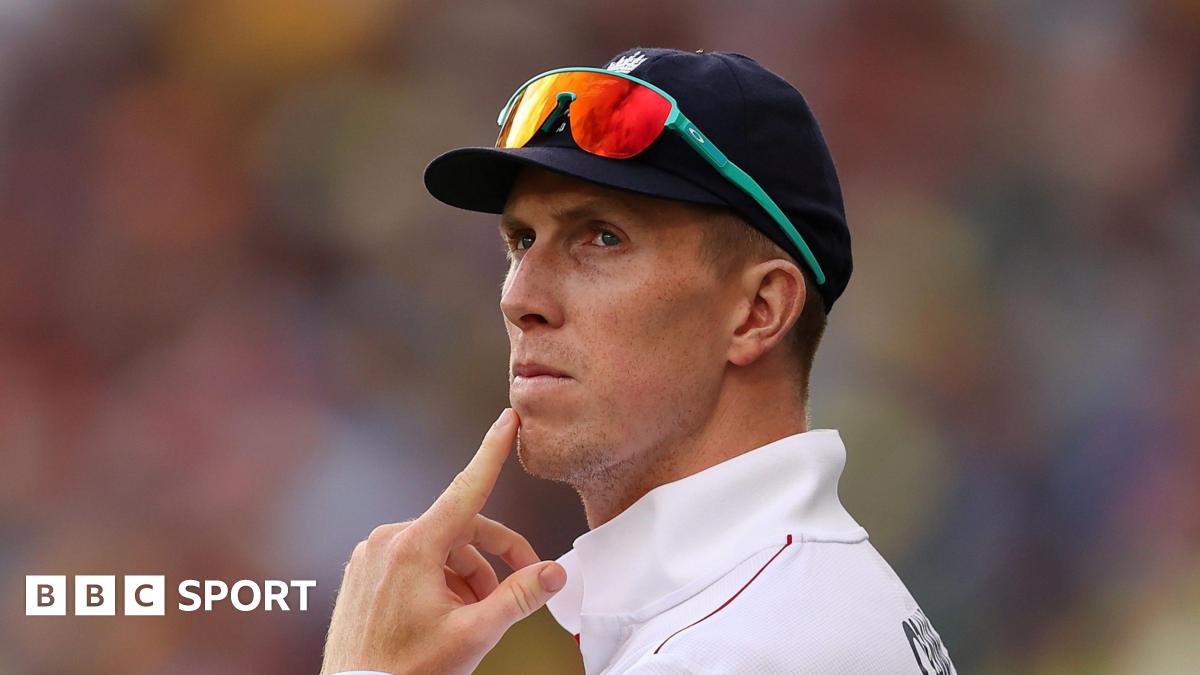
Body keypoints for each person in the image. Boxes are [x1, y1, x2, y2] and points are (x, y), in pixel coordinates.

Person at [319, 47, 956, 674]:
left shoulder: (732, 651)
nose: (519, 298)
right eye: (521, 241)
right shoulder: (779, 599)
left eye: (601, 237)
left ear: (759, 311)